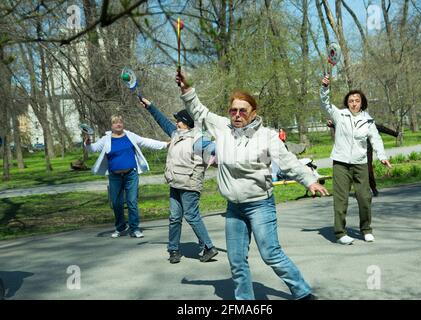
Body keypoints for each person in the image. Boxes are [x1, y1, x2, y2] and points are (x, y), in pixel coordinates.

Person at [176, 72, 329, 300]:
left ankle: (302, 292)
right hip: (234, 208)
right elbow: (199, 110)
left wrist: (309, 180)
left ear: (253, 113)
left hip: (260, 204)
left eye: (243, 111)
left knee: (271, 254)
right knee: (236, 261)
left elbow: (288, 161)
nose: (237, 115)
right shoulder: (222, 128)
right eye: (233, 110)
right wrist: (187, 89)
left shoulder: (266, 136)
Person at [138, 97, 219, 264]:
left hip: (190, 183)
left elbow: (212, 148)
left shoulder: (198, 138)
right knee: (174, 217)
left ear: (187, 122)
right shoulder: (176, 134)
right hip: (175, 182)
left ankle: (209, 247)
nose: (176, 123)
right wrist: (150, 106)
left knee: (191, 215)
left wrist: (218, 154)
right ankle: (173, 250)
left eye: (179, 121)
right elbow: (162, 121)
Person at [320, 74, 392, 245]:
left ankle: (366, 229)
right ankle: (340, 232)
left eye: (357, 100)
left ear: (362, 103)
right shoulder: (339, 115)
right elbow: (325, 103)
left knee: (364, 197)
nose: (353, 103)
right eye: (351, 100)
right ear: (347, 103)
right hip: (341, 163)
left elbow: (376, 139)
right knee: (341, 199)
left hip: (360, 164)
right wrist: (325, 88)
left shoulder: (368, 120)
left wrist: (382, 156)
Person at [84, 115, 168, 238]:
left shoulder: (130, 136)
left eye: (120, 122)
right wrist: (87, 144)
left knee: (132, 202)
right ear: (111, 126)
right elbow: (93, 149)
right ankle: (121, 227)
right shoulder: (106, 139)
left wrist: (165, 144)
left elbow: (146, 141)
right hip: (115, 176)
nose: (118, 124)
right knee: (116, 203)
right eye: (115, 123)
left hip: (131, 175)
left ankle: (135, 229)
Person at [327, 121, 400, 197]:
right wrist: (332, 125)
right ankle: (358, 190)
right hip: (354, 150)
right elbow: (342, 127)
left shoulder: (367, 121)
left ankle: (373, 188)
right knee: (355, 170)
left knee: (368, 169)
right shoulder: (349, 122)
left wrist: (395, 134)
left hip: (367, 149)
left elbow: (381, 128)